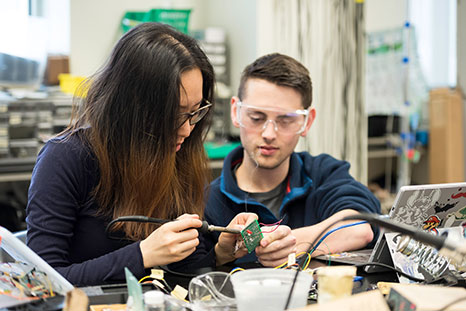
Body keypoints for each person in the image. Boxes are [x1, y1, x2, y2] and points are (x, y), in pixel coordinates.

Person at [26, 22, 260, 286]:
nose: (186, 129)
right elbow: (41, 283)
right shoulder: (66, 157)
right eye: (174, 114)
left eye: (195, 111)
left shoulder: (179, 153)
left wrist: (220, 254)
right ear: (131, 107)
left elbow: (184, 273)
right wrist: (142, 255)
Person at [202, 53, 381, 267]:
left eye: (286, 120)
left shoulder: (323, 173)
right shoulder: (207, 202)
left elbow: (361, 227)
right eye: (256, 118)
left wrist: (293, 243)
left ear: (307, 121)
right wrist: (220, 255)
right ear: (235, 112)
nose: (269, 133)